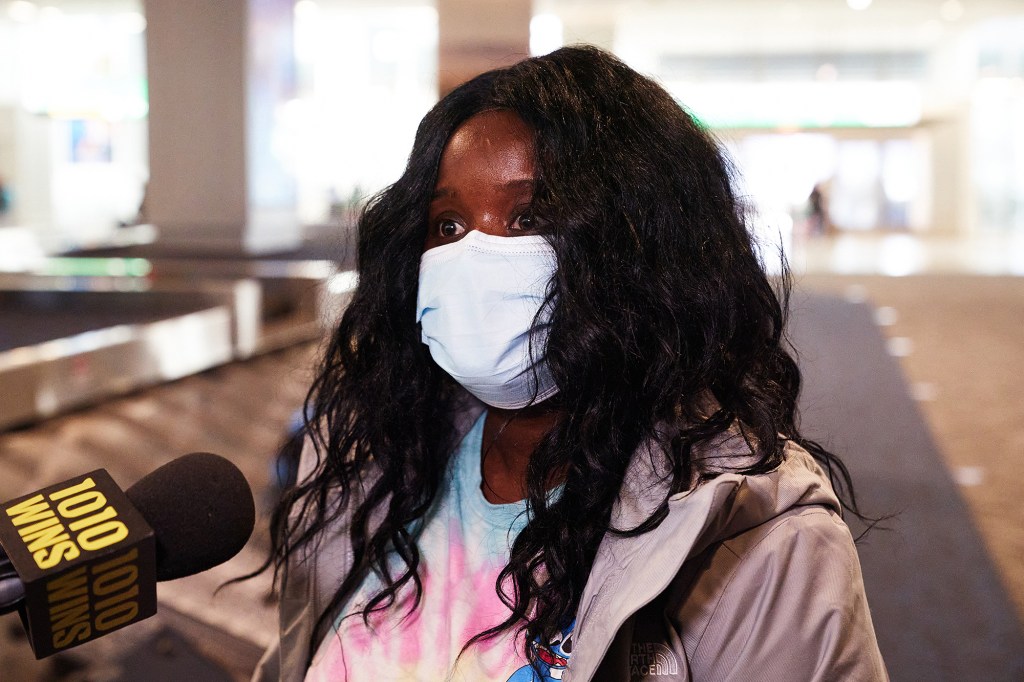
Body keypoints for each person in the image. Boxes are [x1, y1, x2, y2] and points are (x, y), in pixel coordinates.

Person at [253, 46, 887, 682]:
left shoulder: (758, 540)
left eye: (527, 217)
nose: (475, 255)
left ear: (640, 245)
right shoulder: (369, 466)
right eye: (448, 226)